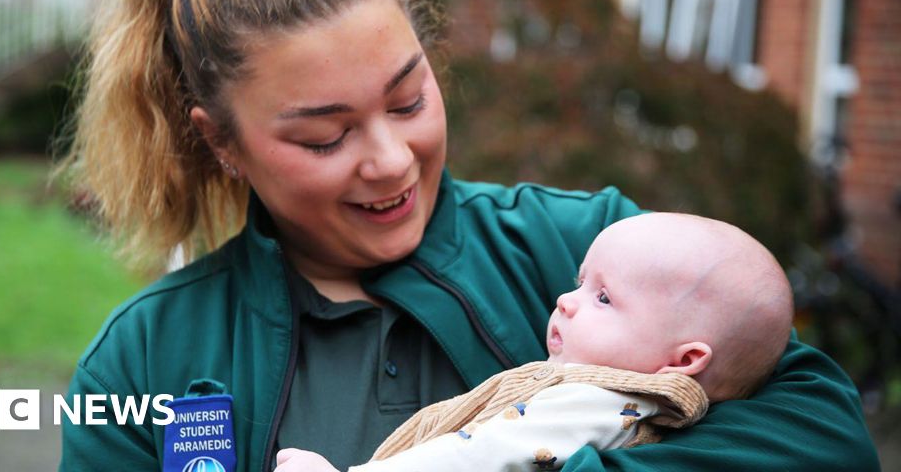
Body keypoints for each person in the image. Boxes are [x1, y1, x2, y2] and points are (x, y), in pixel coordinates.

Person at [57, 0, 879, 471]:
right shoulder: (149, 362)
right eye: (325, 134)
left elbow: (823, 436)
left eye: (408, 99)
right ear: (223, 142)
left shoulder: (590, 254)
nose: (388, 158)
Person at [274, 212, 794, 471]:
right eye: (578, 283)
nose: (567, 302)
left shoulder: (605, 403)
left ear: (684, 361)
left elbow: (485, 454)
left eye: (604, 299)